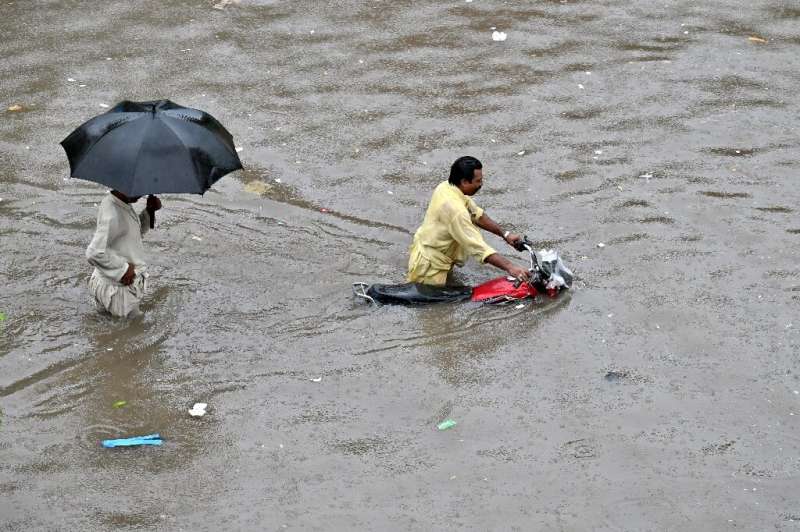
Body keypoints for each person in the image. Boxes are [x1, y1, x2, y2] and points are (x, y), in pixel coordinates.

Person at [407, 156, 530, 286]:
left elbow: (477, 214)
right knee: (436, 305)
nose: (481, 184)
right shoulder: (455, 210)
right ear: (465, 181)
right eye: (478, 181)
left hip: (431, 254)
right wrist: (511, 267)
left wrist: (505, 235)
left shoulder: (447, 186)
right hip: (430, 268)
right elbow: (477, 247)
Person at [85, 191, 162, 318]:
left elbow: (131, 233)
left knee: (108, 328)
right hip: (119, 292)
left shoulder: (118, 203)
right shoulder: (113, 213)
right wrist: (123, 269)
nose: (141, 193)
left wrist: (149, 211)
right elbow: (93, 253)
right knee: (135, 331)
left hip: (107, 284)